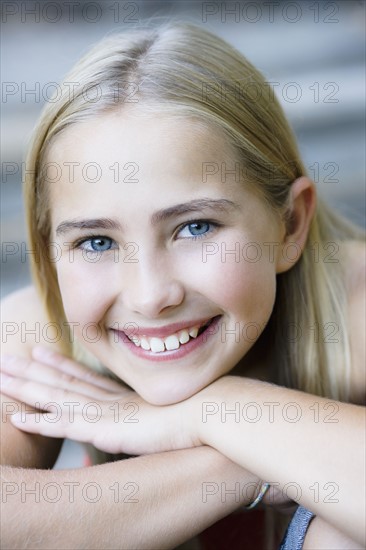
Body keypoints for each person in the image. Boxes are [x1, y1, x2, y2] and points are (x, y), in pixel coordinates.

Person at [1, 20, 364, 550]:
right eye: (97, 242)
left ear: (290, 226)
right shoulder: (41, 333)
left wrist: (216, 411)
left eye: (196, 227)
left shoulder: (351, 306)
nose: (150, 295)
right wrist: (244, 461)